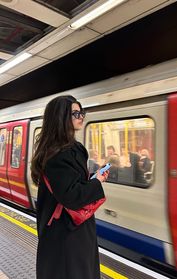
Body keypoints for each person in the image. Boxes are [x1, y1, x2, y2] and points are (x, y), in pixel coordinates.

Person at [31, 95, 108, 279]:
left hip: (74, 230)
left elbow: (72, 183)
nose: (81, 116)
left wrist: (92, 179)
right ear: (60, 117)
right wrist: (97, 181)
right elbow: (71, 196)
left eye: (81, 112)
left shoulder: (70, 149)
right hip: (66, 235)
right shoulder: (57, 154)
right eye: (75, 113)